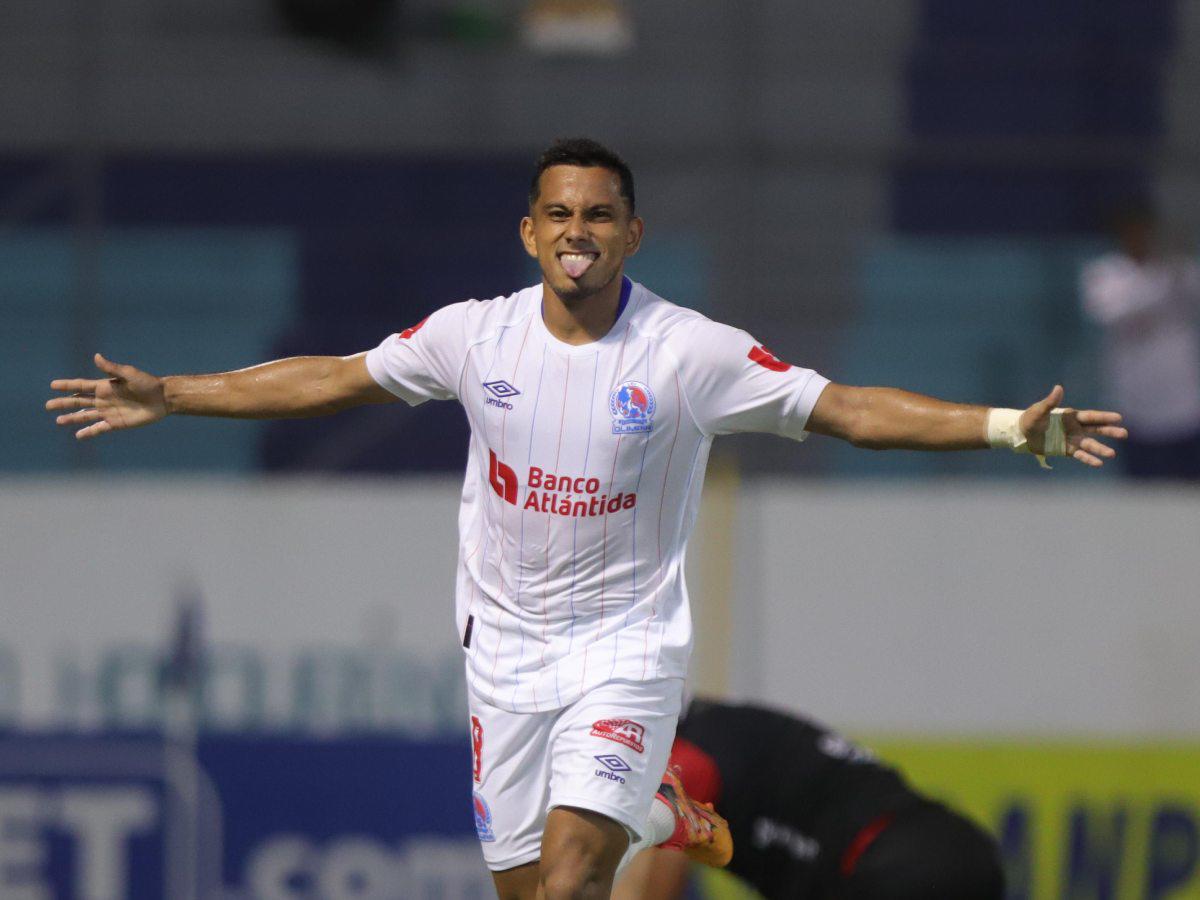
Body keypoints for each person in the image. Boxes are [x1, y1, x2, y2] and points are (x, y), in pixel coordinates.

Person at [45, 138, 1124, 900]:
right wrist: (174, 393)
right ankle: (658, 815)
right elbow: (332, 378)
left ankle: (638, 805)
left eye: (599, 214)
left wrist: (999, 427)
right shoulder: (474, 338)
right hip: (504, 660)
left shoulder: (688, 352)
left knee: (569, 884)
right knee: (535, 892)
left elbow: (842, 409)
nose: (578, 231)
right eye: (559, 212)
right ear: (529, 230)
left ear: (632, 232)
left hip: (625, 655)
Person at [613, 698, 1005, 900]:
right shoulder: (724, 726)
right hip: (954, 850)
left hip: (892, 866)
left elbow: (647, 891)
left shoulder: (683, 756)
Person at [1080, 199, 1200, 479]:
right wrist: (1163, 283)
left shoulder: (1182, 270)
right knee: (1142, 488)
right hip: (1134, 404)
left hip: (1185, 403)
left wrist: (1176, 268)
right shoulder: (1105, 274)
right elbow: (1110, 312)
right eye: (1132, 231)